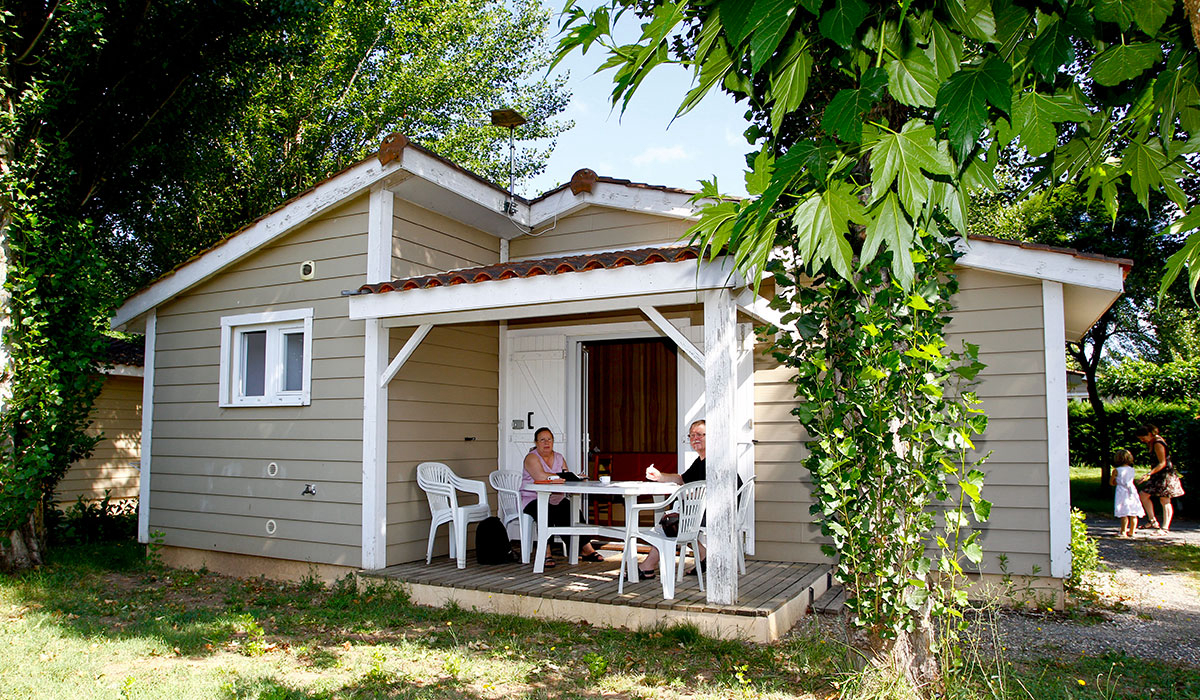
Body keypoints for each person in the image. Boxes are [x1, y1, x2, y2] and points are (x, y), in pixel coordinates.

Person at [639, 419, 741, 579]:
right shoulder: (701, 460)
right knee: (673, 521)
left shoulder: (716, 460)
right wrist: (660, 476)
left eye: (700, 434)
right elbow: (682, 479)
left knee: (671, 524)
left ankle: (648, 566)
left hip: (722, 512)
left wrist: (687, 496)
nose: (695, 438)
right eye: (692, 435)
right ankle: (705, 556)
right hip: (709, 510)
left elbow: (717, 492)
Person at [518, 427, 605, 567]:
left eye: (549, 439)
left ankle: (585, 549)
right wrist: (563, 477)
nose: (546, 443)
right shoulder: (531, 457)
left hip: (555, 498)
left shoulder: (558, 457)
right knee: (546, 512)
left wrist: (575, 478)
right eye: (542, 440)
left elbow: (566, 477)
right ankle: (546, 553)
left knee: (572, 511)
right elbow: (539, 476)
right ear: (536, 442)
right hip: (533, 499)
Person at [1135, 424, 1185, 532]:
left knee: (1165, 500)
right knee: (1143, 495)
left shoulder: (1158, 443)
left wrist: (1149, 474)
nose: (1142, 441)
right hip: (1157, 475)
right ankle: (1152, 521)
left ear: (1149, 434)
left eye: (1143, 438)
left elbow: (1162, 463)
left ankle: (1165, 528)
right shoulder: (1151, 442)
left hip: (1165, 475)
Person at [1110, 449, 1144, 537]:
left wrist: (1117, 482)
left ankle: (1123, 531)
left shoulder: (1116, 470)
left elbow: (1111, 482)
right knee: (1133, 512)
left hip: (1121, 491)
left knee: (1123, 512)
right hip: (1132, 490)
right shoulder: (1131, 469)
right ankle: (1132, 531)